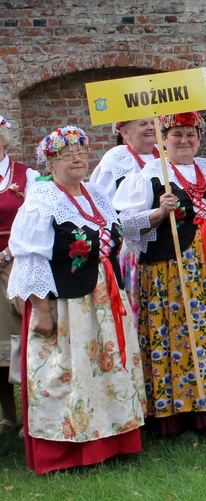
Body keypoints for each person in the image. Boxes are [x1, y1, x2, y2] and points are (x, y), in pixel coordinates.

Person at [7, 125, 145, 474]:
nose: (76, 159)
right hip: (66, 303)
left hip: (104, 295)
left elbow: (116, 239)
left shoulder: (96, 194)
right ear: (49, 162)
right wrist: (41, 311)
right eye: (65, 155)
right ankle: (67, 449)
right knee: (68, 372)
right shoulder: (42, 198)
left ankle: (111, 437)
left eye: (81, 153)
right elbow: (30, 255)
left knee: (104, 367)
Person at [113, 112, 206, 435]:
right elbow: (124, 223)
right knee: (178, 335)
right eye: (176, 134)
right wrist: (159, 212)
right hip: (170, 271)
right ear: (163, 139)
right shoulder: (148, 174)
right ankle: (182, 413)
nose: (185, 140)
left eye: (190, 133)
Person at [90, 119, 160, 330]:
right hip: (132, 249)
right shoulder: (117, 159)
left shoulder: (164, 154)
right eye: (142, 124)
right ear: (125, 132)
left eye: (152, 122)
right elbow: (101, 205)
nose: (150, 127)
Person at [0, 115, 40, 436]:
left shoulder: (27, 176)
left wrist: (9, 252)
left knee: (24, 341)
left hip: (17, 264)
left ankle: (33, 413)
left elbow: (37, 220)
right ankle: (8, 416)